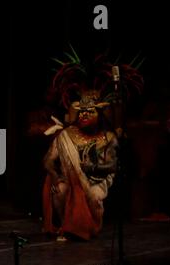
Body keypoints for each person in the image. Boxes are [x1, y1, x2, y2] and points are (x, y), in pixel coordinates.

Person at [42, 90, 118, 241]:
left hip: (97, 179)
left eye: (90, 111)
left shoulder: (108, 137)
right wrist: (55, 177)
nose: (84, 115)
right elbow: (48, 160)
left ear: (99, 114)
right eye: (82, 111)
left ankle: (90, 228)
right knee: (59, 190)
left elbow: (112, 165)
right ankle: (67, 228)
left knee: (95, 196)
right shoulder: (66, 135)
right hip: (68, 179)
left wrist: (91, 169)